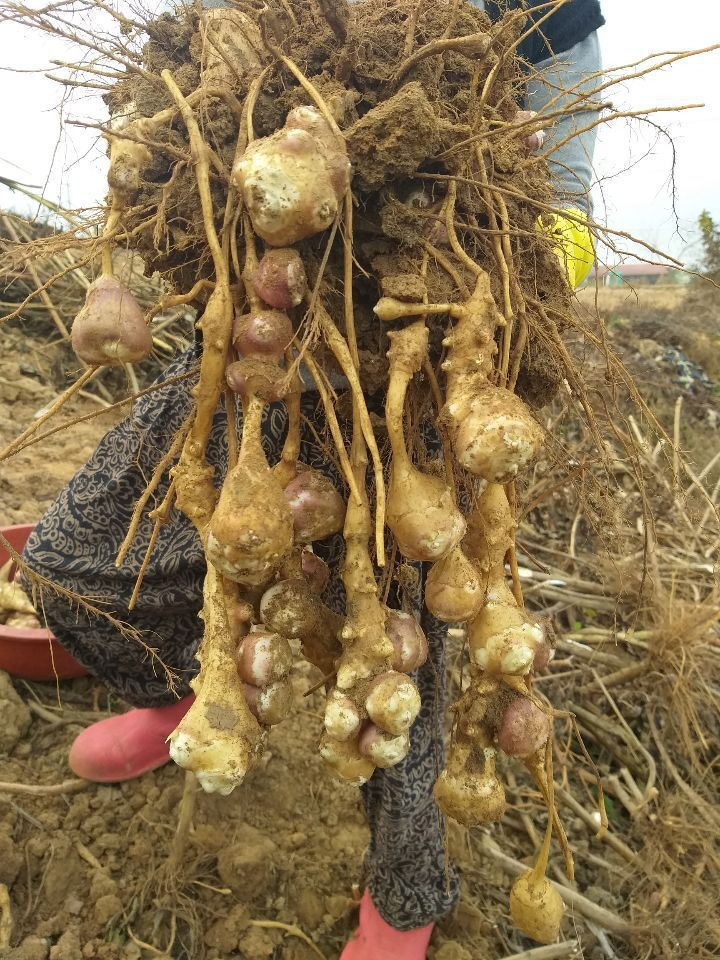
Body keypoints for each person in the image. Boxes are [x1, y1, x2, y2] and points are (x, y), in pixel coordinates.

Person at [19, 2, 603, 957]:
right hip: (249, 344)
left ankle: (405, 898)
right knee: (67, 560)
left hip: (408, 381)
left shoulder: (555, 28)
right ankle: (190, 685)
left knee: (402, 660)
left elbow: (566, 225)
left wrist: (506, 254)